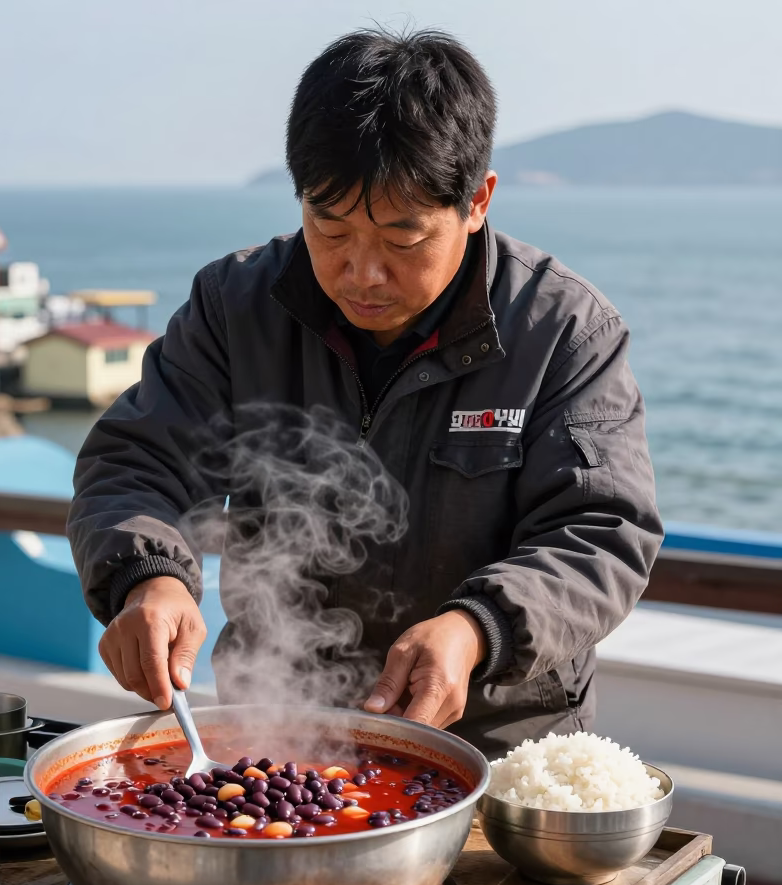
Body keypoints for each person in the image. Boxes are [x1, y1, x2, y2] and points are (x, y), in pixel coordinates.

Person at [68, 28, 662, 757]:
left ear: (477, 201)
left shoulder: (566, 331)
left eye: (402, 240)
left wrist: (478, 628)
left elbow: (602, 530)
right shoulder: (233, 307)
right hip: (275, 733)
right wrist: (148, 576)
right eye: (331, 228)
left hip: (495, 749)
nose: (363, 273)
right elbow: (136, 462)